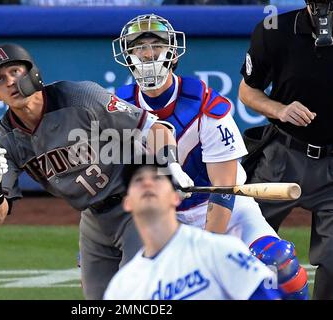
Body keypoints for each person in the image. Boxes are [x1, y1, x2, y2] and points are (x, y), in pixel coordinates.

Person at [112, 13, 309, 299]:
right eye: (138, 47)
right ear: (128, 56)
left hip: (223, 207)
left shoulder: (204, 104)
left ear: (172, 51)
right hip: (166, 215)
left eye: (156, 45)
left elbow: (224, 189)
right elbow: (118, 180)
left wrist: (206, 251)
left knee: (279, 264)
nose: (148, 54)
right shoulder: (118, 108)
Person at [0, 43, 194, 300]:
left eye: (15, 71)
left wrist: (171, 165)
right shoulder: (2, 141)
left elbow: (156, 129)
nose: (11, 82)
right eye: (1, 79)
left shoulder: (79, 97)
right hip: (93, 221)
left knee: (136, 295)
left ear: (33, 73)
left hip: (135, 208)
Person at [238, 0, 333, 300]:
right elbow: (247, 90)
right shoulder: (275, 29)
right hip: (282, 156)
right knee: (243, 239)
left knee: (332, 262)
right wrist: (279, 110)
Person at [104, 158, 281, 300]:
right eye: (138, 180)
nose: (147, 183)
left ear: (175, 198)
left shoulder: (218, 250)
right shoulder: (123, 286)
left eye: (157, 178)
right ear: (127, 203)